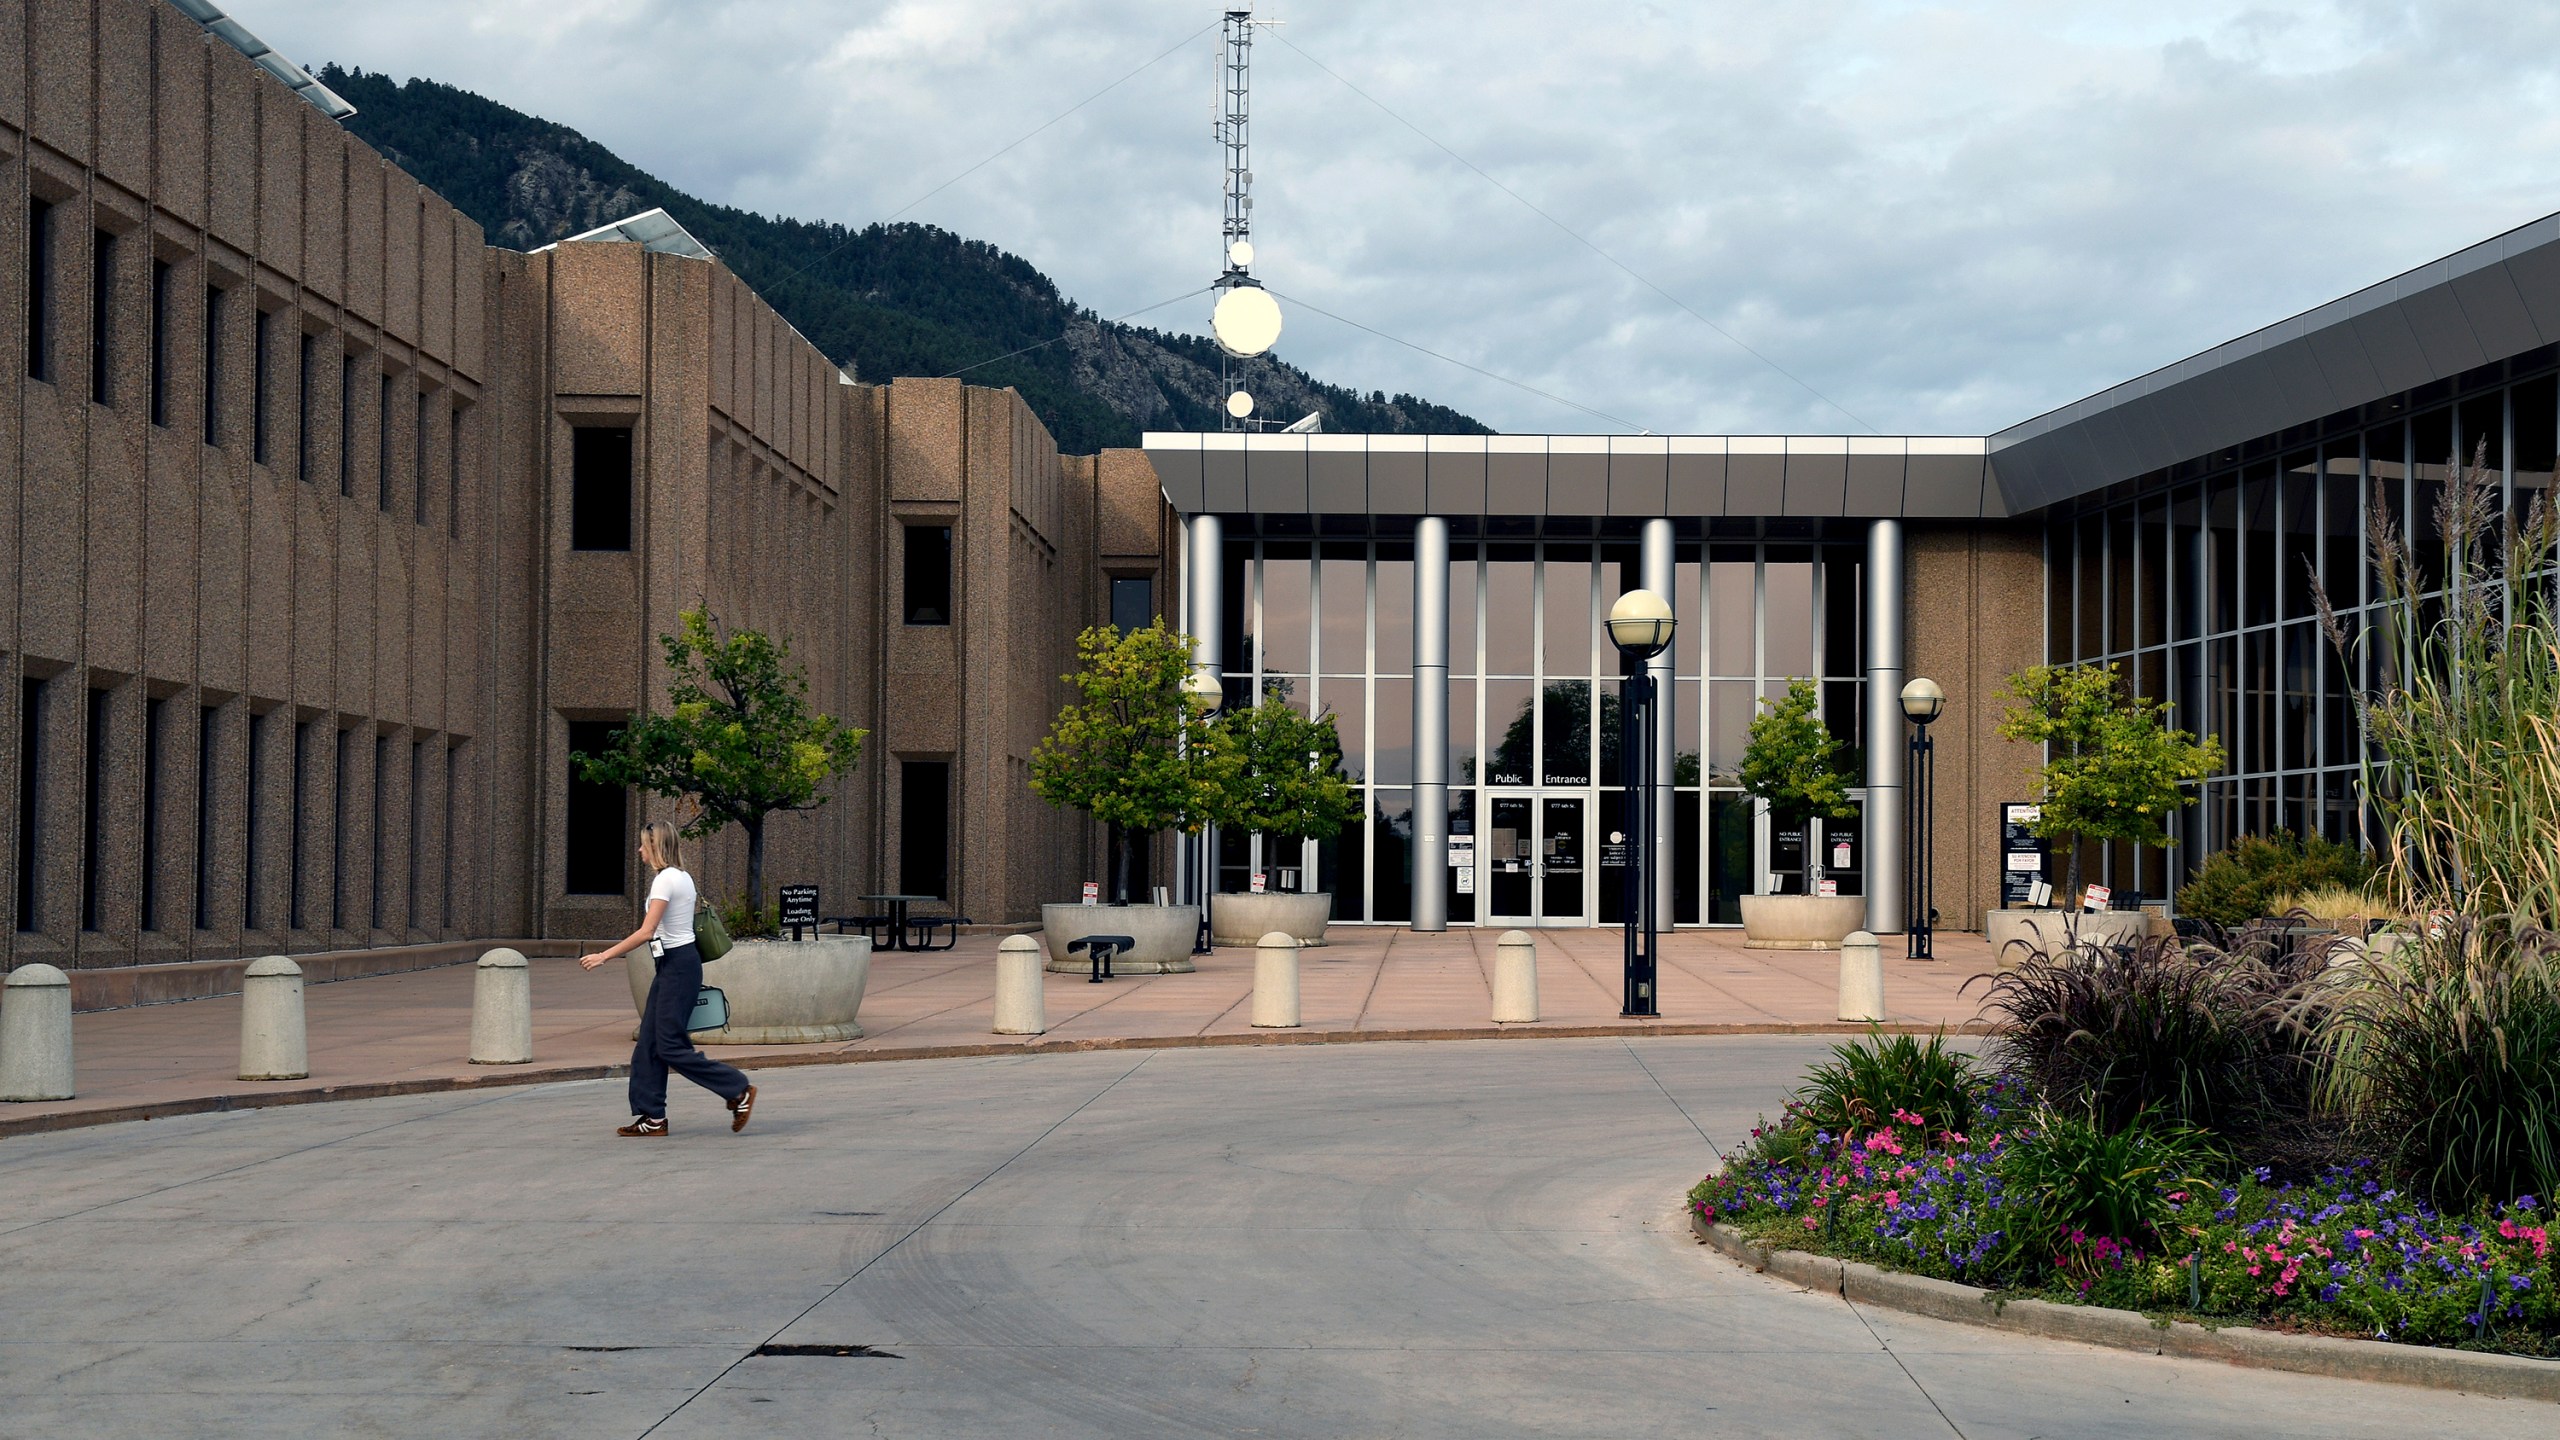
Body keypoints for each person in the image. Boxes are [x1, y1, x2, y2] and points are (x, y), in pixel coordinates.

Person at [579, 820, 758, 1136]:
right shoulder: (682, 877)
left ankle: (737, 1088)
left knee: (670, 1046)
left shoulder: (665, 881)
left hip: (678, 967)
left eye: (643, 845)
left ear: (655, 846)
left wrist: (604, 956)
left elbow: (647, 931)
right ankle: (653, 1118)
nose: (639, 851)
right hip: (674, 966)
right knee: (649, 1042)